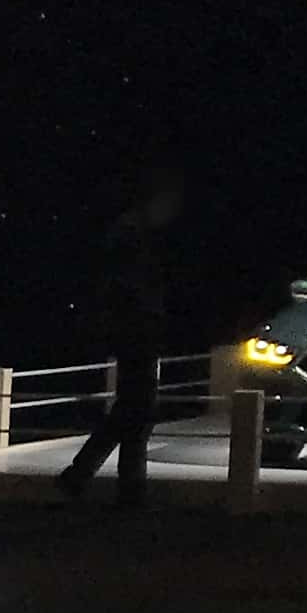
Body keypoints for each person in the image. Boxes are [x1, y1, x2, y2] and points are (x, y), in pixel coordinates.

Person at [62, 159, 185, 506]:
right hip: (135, 332)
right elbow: (128, 288)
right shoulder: (132, 235)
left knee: (134, 411)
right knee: (136, 410)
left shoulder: (132, 233)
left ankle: (112, 481)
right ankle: (109, 480)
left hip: (135, 331)